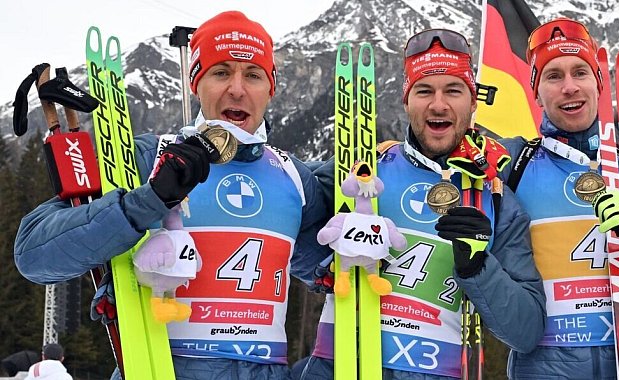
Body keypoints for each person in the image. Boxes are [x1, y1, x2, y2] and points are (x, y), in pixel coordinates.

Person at [14, 11, 330, 379]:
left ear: (270, 89)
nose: (238, 89)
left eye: (253, 75)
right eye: (221, 72)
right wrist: (146, 201)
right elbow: (34, 254)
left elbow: (333, 271)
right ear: (197, 83)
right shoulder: (148, 157)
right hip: (157, 368)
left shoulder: (295, 177)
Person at [299, 29, 545, 379]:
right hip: (337, 367)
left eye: (454, 91)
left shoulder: (496, 200)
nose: (439, 104)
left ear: (473, 102)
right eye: (424, 90)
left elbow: (527, 331)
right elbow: (282, 220)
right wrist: (324, 262)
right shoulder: (361, 171)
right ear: (406, 100)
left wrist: (479, 267)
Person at [498, 17, 619, 379]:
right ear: (537, 93)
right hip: (542, 367)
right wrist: (387, 159)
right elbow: (443, 164)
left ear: (599, 83)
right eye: (553, 77)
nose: (569, 87)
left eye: (580, 72)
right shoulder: (514, 164)